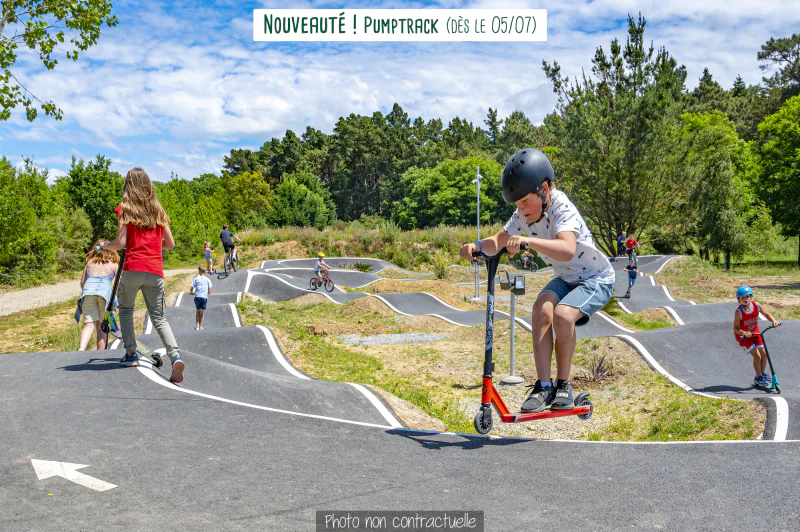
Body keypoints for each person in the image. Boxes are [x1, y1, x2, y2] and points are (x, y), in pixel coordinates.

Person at [460, 148, 615, 412]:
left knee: (563, 316)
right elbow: (498, 241)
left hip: (595, 278)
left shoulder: (561, 207)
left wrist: (528, 241)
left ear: (544, 189)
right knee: (541, 308)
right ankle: (544, 386)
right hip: (566, 277)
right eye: (517, 205)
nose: (521, 210)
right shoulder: (523, 215)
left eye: (524, 202)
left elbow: (566, 249)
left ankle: (564, 385)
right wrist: (474, 245)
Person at [100, 167, 184, 384]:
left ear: (129, 185)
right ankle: (175, 357)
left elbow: (121, 243)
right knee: (158, 317)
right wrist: (154, 246)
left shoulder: (125, 209)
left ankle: (130, 354)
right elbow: (171, 245)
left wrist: (104, 246)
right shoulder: (159, 211)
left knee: (127, 310)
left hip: (133, 268)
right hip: (155, 270)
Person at [75, 241, 119, 351]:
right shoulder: (114, 264)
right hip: (105, 296)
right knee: (102, 326)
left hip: (88, 294)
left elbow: (82, 283)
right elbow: (119, 284)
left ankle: (81, 349)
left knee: (89, 325)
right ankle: (101, 352)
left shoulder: (89, 263)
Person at [733, 286, 780, 387]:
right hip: (744, 337)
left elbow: (766, 314)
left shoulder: (756, 306)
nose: (746, 299)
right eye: (743, 298)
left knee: (764, 354)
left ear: (751, 297)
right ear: (739, 300)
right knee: (757, 355)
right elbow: (735, 328)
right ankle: (758, 378)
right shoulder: (739, 312)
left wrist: (774, 321)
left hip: (756, 334)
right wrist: (743, 332)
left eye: (748, 296)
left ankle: (762, 374)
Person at [190, 265, 212, 330]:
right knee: (202, 312)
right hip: (204, 297)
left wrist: (191, 292)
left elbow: (191, 288)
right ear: (205, 271)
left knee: (197, 311)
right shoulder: (208, 279)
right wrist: (207, 294)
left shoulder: (196, 279)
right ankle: (201, 326)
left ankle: (197, 325)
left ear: (199, 271)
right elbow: (209, 291)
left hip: (197, 297)